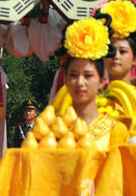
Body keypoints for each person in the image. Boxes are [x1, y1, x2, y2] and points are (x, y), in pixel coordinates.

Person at [56, 18, 131, 151]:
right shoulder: (54, 128)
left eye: (88, 75)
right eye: (73, 75)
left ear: (102, 81)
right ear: (66, 81)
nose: (80, 82)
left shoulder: (116, 130)